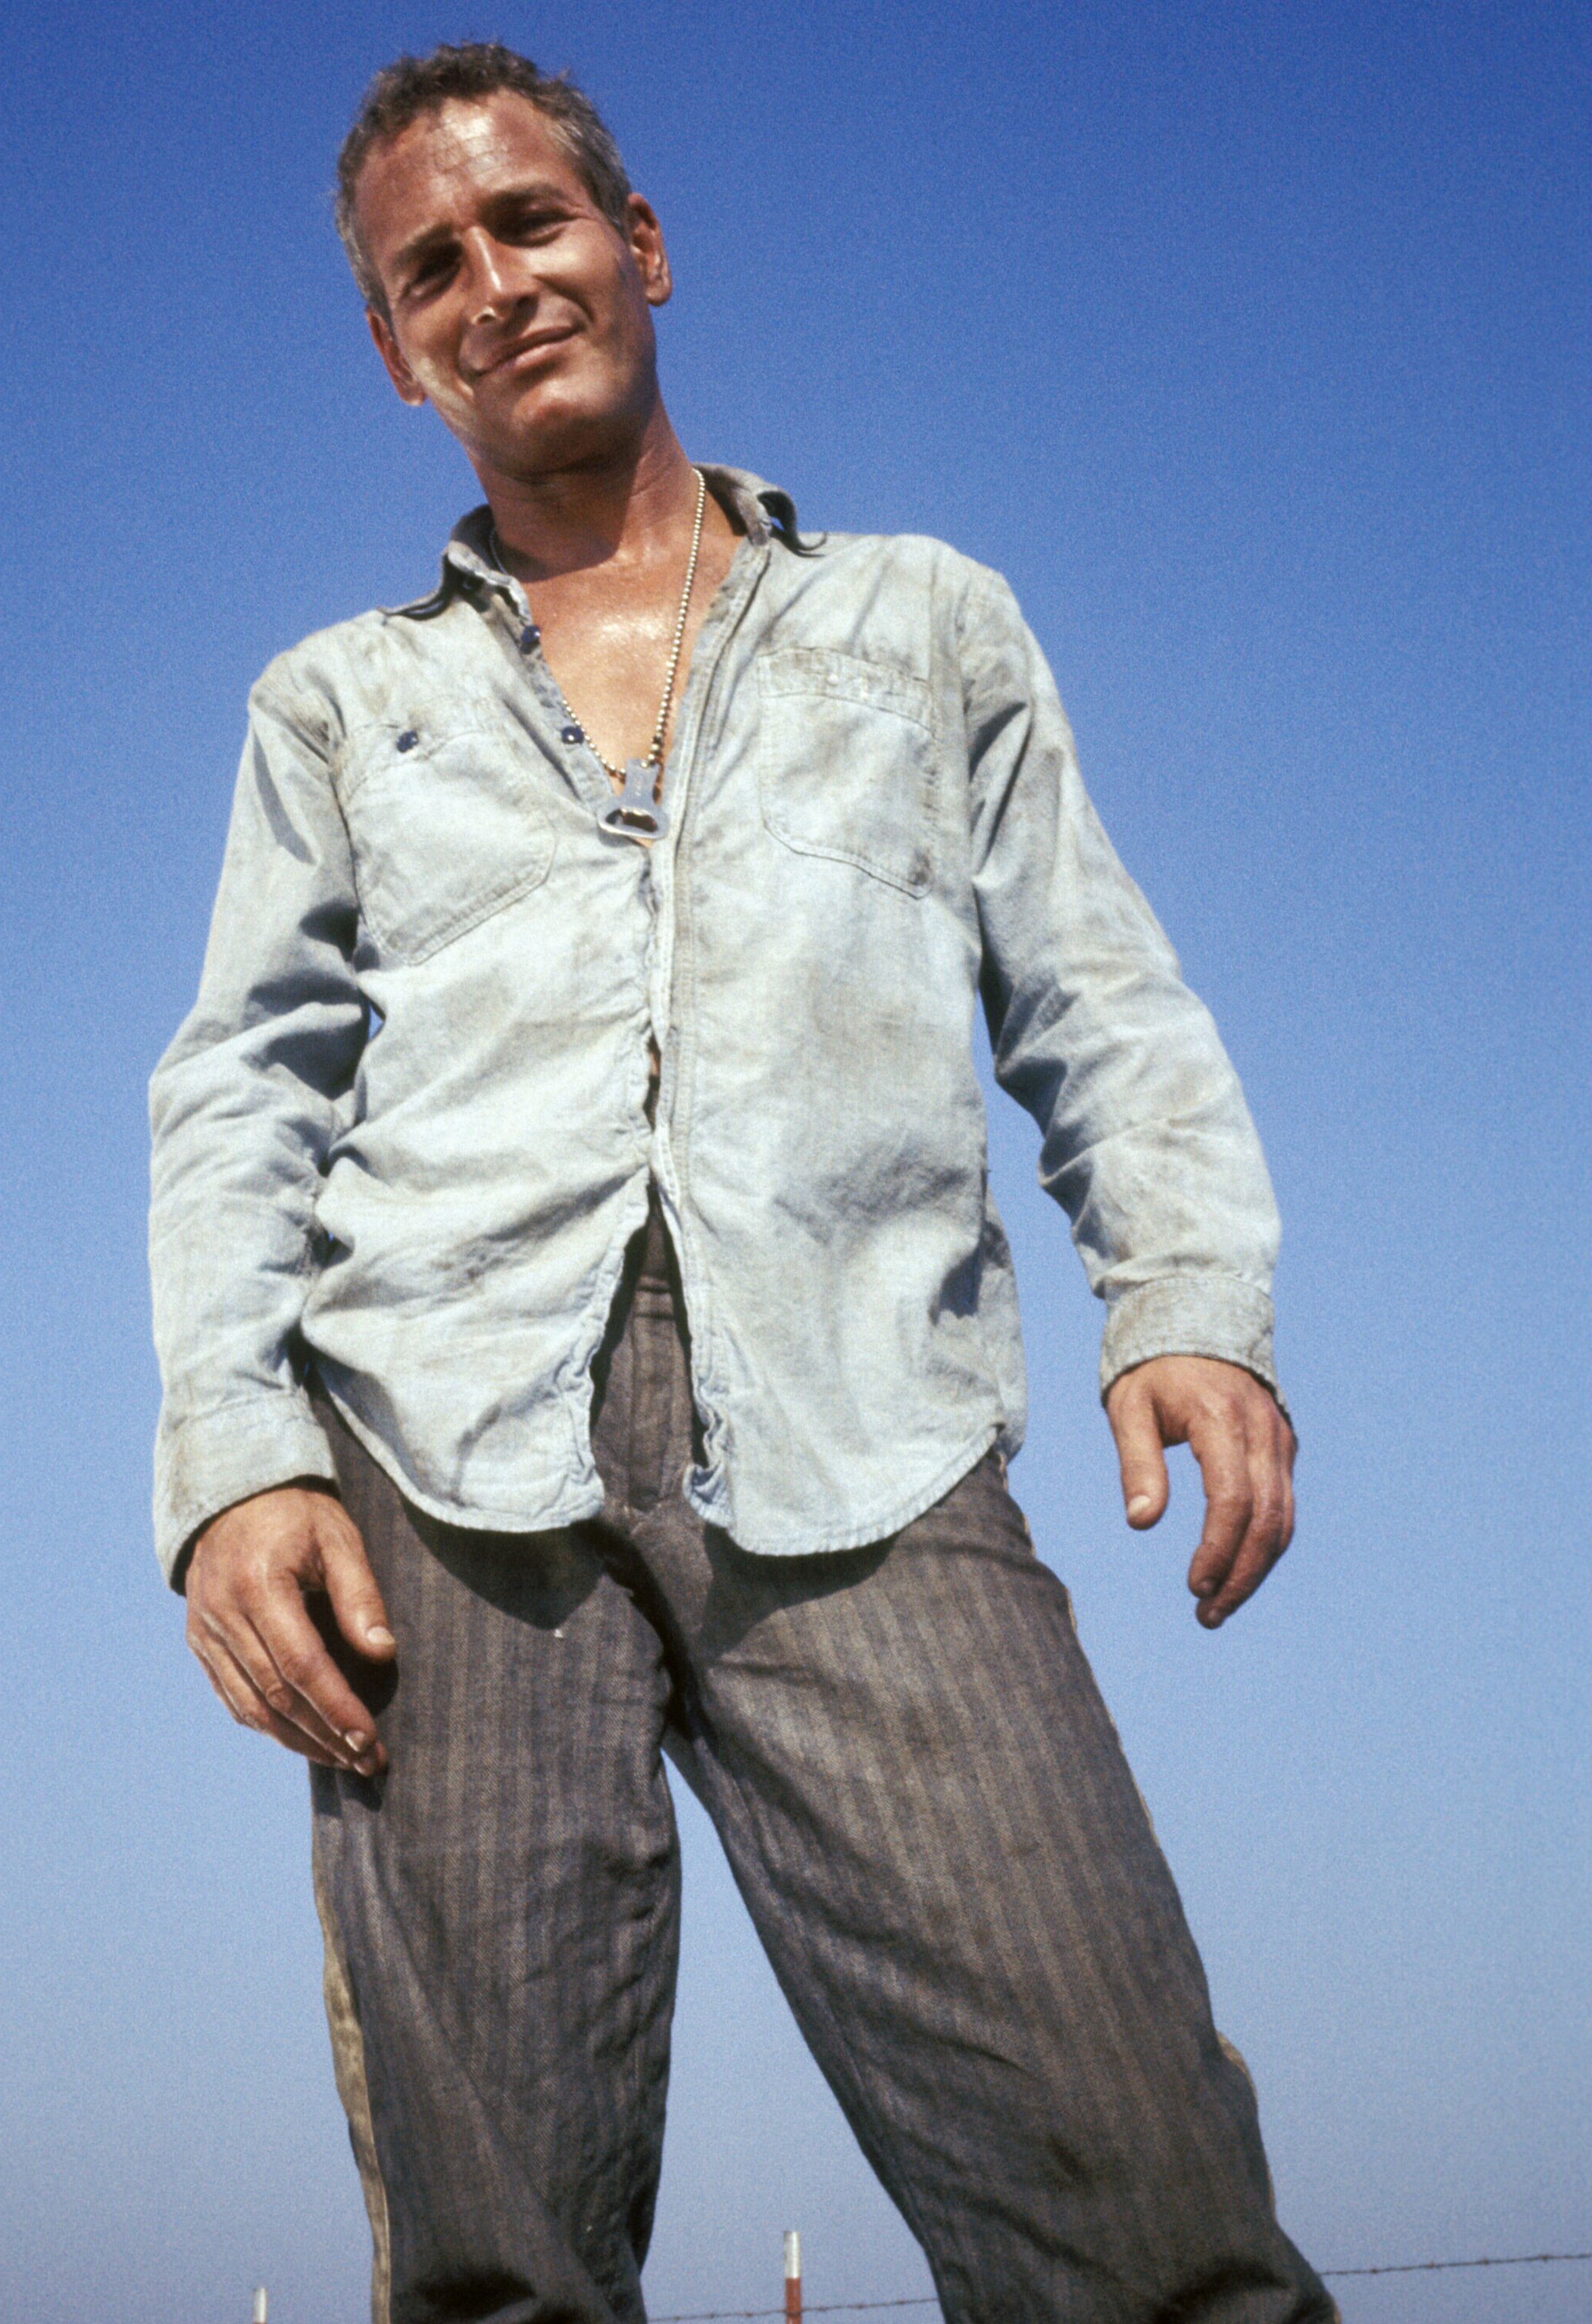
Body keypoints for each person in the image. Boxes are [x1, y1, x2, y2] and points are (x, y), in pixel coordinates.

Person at [148, 41, 1333, 2324]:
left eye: (532, 225)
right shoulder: (336, 706)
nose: (492, 285)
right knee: (500, 2273)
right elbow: (240, 1096)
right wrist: (230, 1464)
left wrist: (1185, 1296)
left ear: (643, 247)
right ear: (397, 356)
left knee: (1152, 2211)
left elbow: (1097, 991)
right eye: (429, 272)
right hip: (446, 1484)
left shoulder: (920, 620)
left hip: (867, 1435)